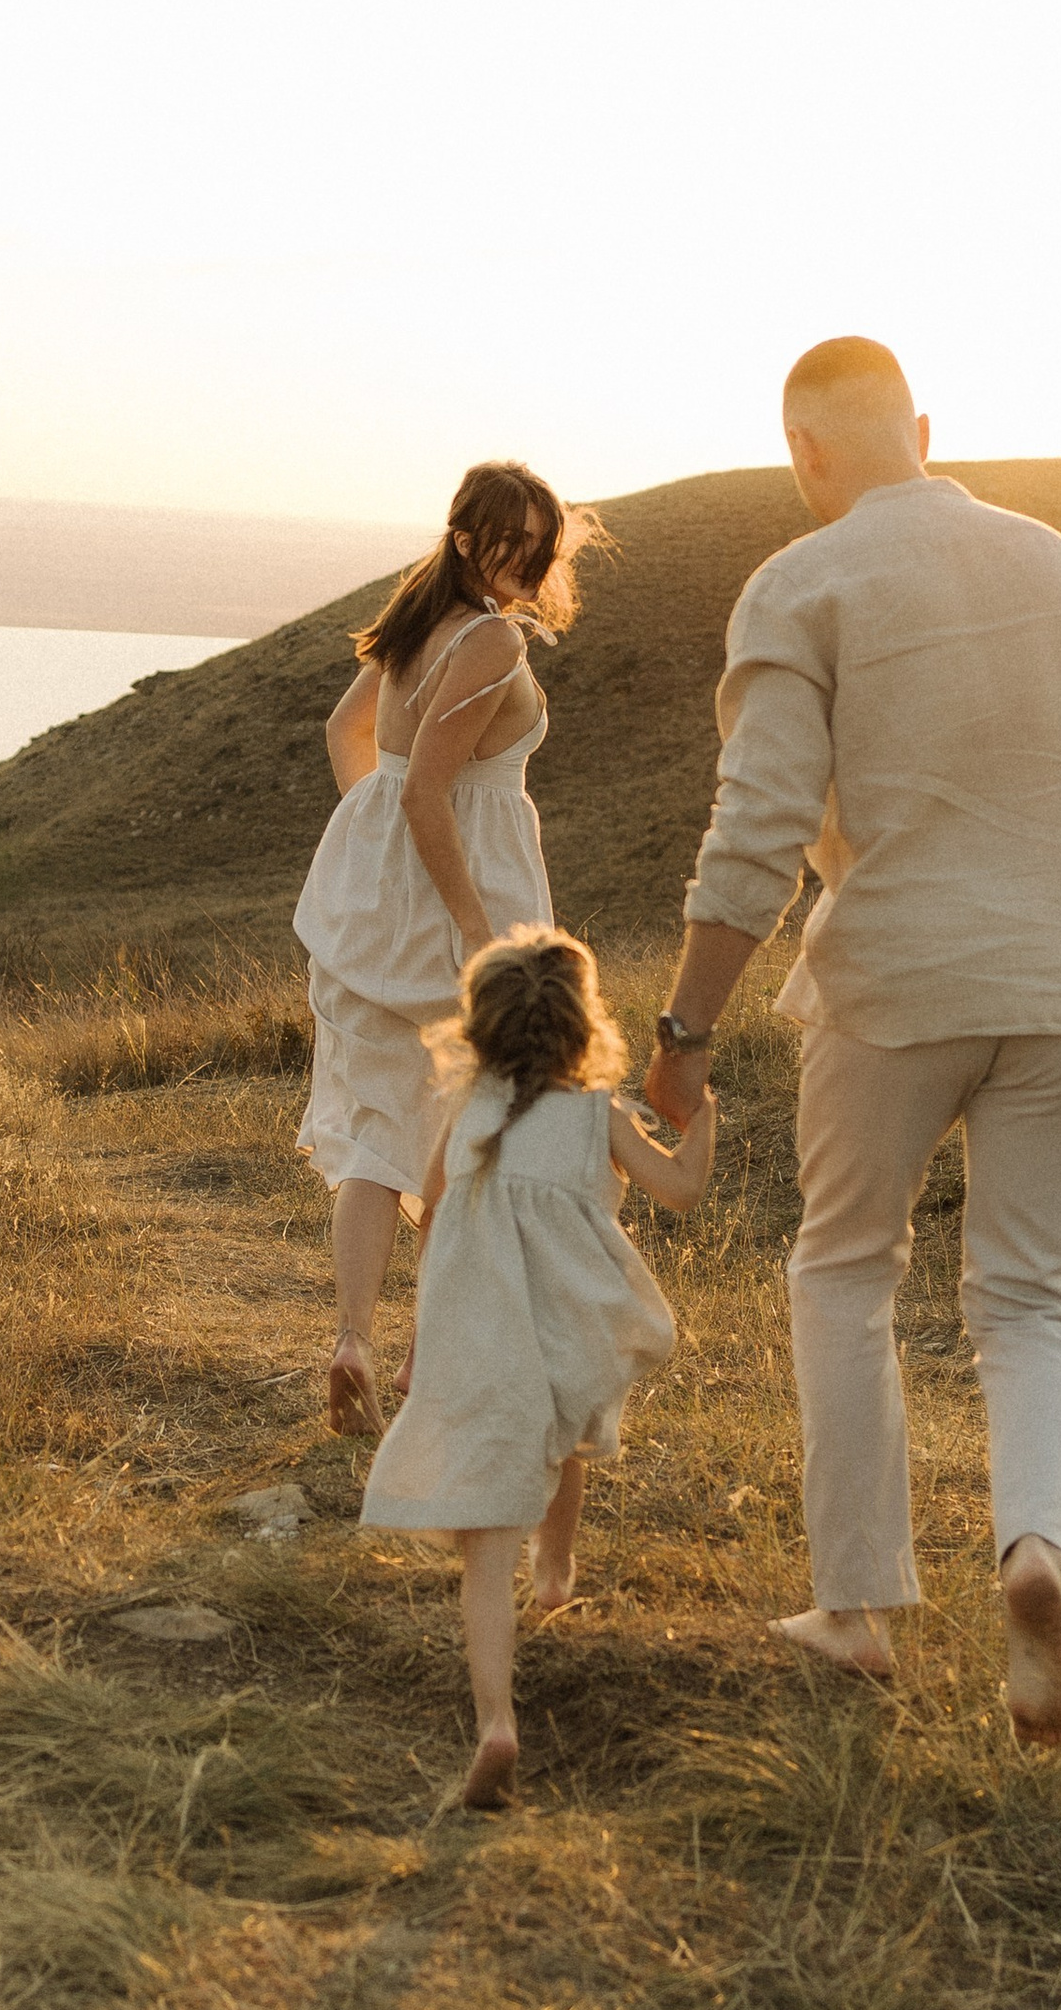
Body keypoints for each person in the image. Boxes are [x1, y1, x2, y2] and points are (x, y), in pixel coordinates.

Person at [641, 338, 1061, 1747]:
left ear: (804, 451)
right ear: (923, 429)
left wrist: (686, 1026)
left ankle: (857, 1605)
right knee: (1030, 1298)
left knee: (843, 1262)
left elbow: (755, 828)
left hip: (896, 978)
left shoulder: (803, 580)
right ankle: (1038, 1553)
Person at [361, 927, 713, 1810]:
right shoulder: (599, 1114)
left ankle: (496, 1723)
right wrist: (702, 1118)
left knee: (487, 1540)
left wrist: (419, 1338)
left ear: (479, 1029)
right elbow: (682, 1191)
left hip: (481, 1335)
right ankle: (556, 1576)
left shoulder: (470, 1111)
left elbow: (436, 1207)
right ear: (582, 1026)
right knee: (563, 1436)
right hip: (567, 1329)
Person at [295, 461, 604, 1435]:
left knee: (382, 1134)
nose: (528, 559)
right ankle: (420, 1355)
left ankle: (354, 1337)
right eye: (509, 540)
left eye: (539, 544)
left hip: (376, 903)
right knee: (462, 1134)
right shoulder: (486, 641)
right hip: (456, 904)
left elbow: (351, 733)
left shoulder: (421, 616)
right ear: (466, 537)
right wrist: (480, 939)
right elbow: (430, 791)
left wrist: (370, 830)